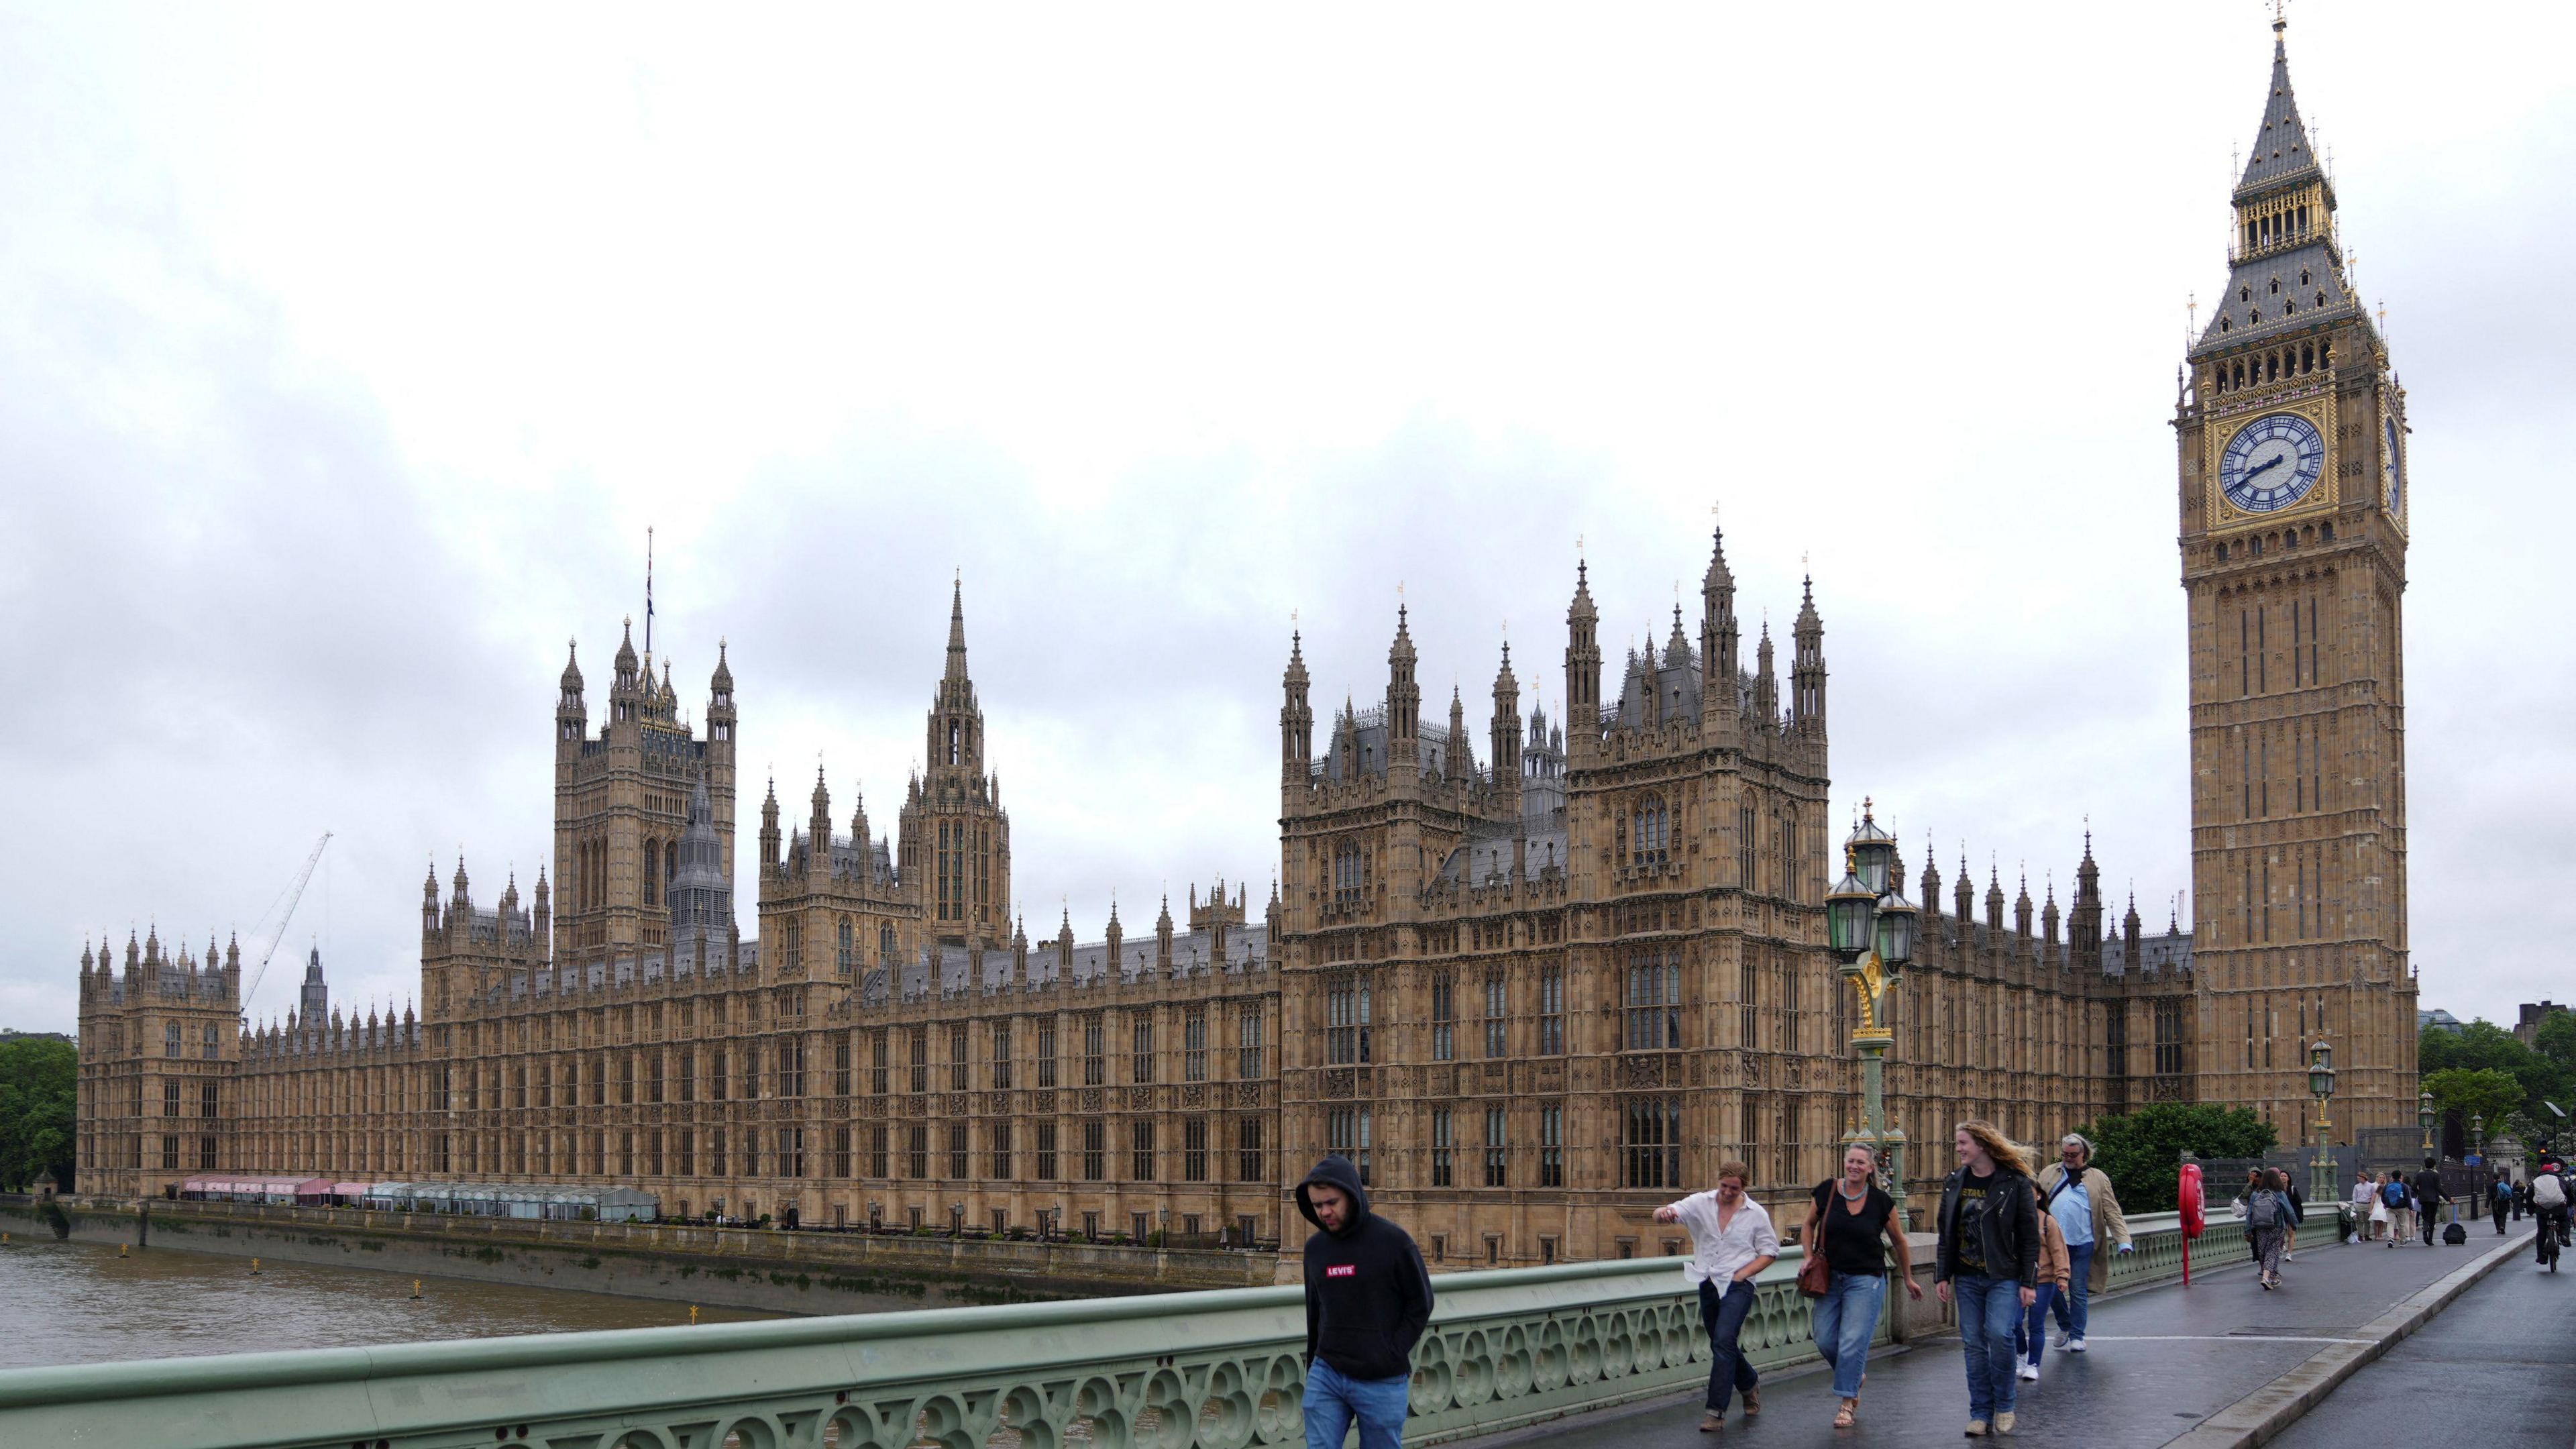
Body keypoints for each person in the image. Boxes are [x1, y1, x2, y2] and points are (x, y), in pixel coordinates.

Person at [1295, 1157, 1434, 1449]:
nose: (1325, 1212)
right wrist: (1314, 1365)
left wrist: (1392, 1352)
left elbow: (1421, 1303)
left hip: (1380, 1377)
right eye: (1318, 1206)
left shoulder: (1394, 1242)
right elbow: (1314, 1312)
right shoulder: (1315, 1249)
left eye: (1332, 1202)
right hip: (1328, 1373)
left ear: (1352, 1193)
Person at [1801, 1144, 1921, 1428]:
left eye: (1860, 1163)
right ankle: (1855, 1376)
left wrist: (1908, 1277)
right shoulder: (1827, 1190)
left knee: (1853, 1341)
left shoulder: (1881, 1201)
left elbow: (1900, 1242)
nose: (1854, 1166)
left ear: (1870, 1168)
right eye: (1850, 1161)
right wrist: (1807, 1257)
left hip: (1866, 1279)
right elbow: (1807, 1225)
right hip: (1830, 1276)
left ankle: (1846, 1403)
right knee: (1825, 1339)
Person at [1656, 1159, 1778, 1433]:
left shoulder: (1756, 1214)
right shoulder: (1701, 1202)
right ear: (1718, 1182)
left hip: (1739, 1284)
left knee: (1724, 1340)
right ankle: (1749, 1383)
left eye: (1734, 1188)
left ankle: (1716, 1412)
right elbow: (1668, 1212)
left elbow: (1770, 1251)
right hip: (1708, 1280)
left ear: (1744, 1187)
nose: (1727, 1192)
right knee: (1721, 1344)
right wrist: (1662, 1213)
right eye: (1724, 1186)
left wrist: (1742, 1274)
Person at [1935, 1120, 2039, 1438]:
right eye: (1957, 1143)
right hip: (1966, 1277)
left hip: (2003, 1275)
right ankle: (1980, 1412)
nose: (1959, 1149)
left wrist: (2028, 1282)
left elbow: (2029, 1237)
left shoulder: (2015, 1182)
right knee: (1973, 1345)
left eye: (1963, 1143)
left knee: (1999, 1335)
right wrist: (1942, 1274)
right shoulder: (1955, 1182)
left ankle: (2005, 1405)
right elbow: (1945, 1233)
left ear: (1982, 1144)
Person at [2034, 1133, 2133, 1354]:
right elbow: (2035, 1204)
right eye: (2065, 1154)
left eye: (2073, 1154)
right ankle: (2066, 1325)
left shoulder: (2098, 1178)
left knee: (2077, 1288)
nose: (2068, 1158)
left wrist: (2123, 1241)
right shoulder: (2049, 1173)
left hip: (2083, 1242)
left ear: (2084, 1154)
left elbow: (2112, 1211)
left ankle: (2078, 1336)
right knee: (2051, 1290)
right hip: (2052, 1245)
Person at [2016, 1193, 2071, 1383]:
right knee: (2013, 1323)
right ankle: (2022, 1353)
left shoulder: (2048, 1222)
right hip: (2017, 1280)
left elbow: (2058, 1250)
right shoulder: (2011, 1218)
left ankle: (2033, 1365)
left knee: (2035, 1324)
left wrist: (2062, 1276)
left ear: (2038, 1197)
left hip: (2044, 1280)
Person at [2239, 1169, 2291, 1289]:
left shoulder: (2256, 1194)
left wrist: (2247, 1230)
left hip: (2260, 1227)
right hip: (2277, 1226)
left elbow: (2249, 1214)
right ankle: (2266, 1278)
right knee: (2272, 1251)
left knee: (2263, 1252)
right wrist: (2293, 1224)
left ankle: (2271, 1277)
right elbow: (2289, 1210)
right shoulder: (2280, 1193)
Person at [2532, 1161, 2570, 1264]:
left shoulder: (2536, 1180)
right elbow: (2568, 1190)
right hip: (2558, 1208)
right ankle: (2564, 1236)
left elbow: (2529, 1194)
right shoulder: (2559, 1179)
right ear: (2553, 1171)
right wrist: (2570, 1203)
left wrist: (2531, 1209)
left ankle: (2541, 1257)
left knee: (2541, 1233)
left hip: (2542, 1209)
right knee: (2565, 1220)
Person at [2412, 1158, 2449, 1248]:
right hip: (2433, 1199)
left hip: (2423, 1199)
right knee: (2432, 1218)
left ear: (2425, 1165)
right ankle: (2430, 1239)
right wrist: (2448, 1198)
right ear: (2434, 1165)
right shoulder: (2435, 1175)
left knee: (2425, 1217)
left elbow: (2413, 1187)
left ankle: (2425, 1233)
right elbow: (2439, 1188)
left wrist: (2420, 1193)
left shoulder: (2420, 1175)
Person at [2381, 1170, 2412, 1247]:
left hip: (2390, 1208)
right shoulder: (2404, 1186)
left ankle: (2390, 1239)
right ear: (2401, 1177)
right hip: (2401, 1208)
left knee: (2390, 1224)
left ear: (2392, 1177)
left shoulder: (2387, 1185)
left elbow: (2383, 1196)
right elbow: (2408, 1198)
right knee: (2401, 1225)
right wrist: (2410, 1208)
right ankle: (2402, 1241)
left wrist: (2386, 1204)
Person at [2350, 1169, 2381, 1242]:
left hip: (2368, 1204)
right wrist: (2355, 1205)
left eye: (2359, 1178)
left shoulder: (2370, 1186)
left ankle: (2367, 1235)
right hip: (2359, 1204)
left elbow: (2373, 1196)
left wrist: (2372, 1205)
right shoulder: (2357, 1186)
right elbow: (2354, 1196)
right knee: (2360, 1221)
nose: (2358, 1179)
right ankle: (2361, 1235)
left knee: (2367, 1221)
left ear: (2363, 1178)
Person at [2491, 1169, 2514, 1236]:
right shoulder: (2504, 1184)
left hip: (2496, 1203)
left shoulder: (2492, 1185)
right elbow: (2509, 1192)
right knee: (2503, 1216)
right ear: (2500, 1177)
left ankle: (2498, 1229)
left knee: (2496, 1216)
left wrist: (2486, 1205)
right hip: (2505, 1202)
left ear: (2493, 1177)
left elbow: (2490, 1195)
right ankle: (2502, 1226)